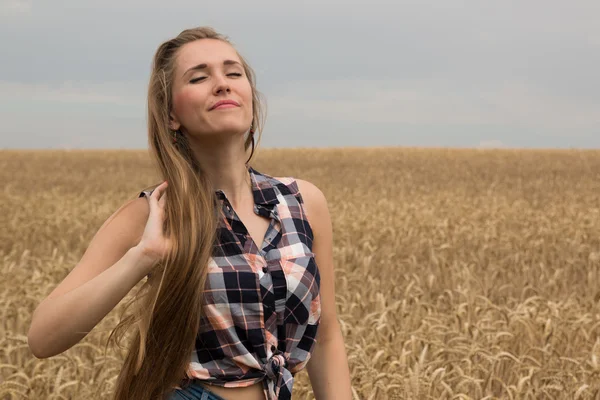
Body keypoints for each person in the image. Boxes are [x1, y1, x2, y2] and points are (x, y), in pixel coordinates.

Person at [27, 26, 352, 400]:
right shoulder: (153, 214)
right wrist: (142, 257)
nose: (222, 84)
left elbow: (325, 335)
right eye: (199, 77)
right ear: (170, 115)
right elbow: (43, 337)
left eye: (233, 73)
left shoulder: (302, 202)